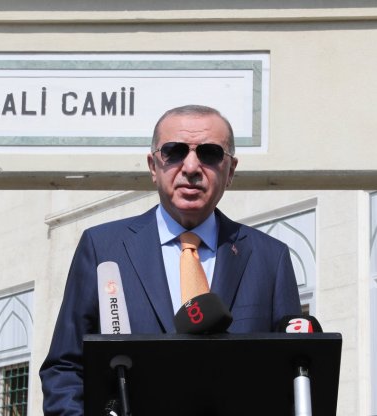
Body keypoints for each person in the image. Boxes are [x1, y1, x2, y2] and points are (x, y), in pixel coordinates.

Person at [39, 105, 301, 415]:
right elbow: (65, 368)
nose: (191, 166)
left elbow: (293, 375)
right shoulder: (103, 249)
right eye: (174, 152)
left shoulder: (270, 259)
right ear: (153, 166)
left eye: (210, 153)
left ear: (230, 171)